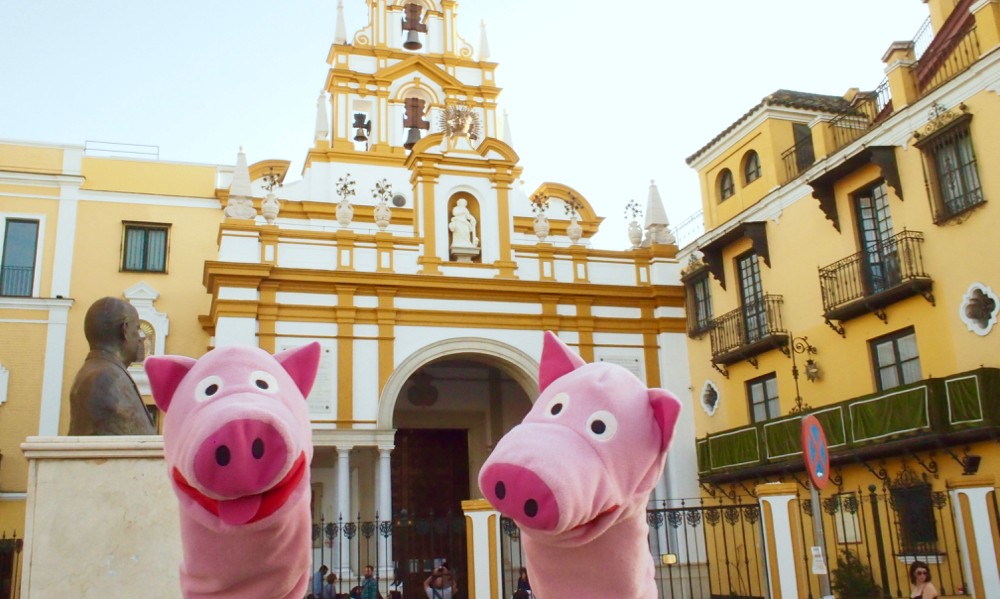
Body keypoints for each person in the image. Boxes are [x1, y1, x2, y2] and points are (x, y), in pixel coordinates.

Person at [68, 297, 156, 435]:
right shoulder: (103, 378)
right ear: (125, 330)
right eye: (137, 329)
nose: (140, 339)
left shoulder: (102, 372)